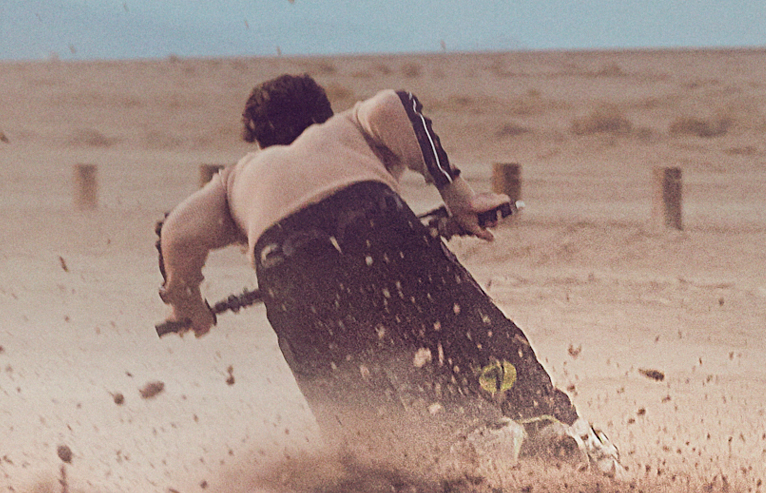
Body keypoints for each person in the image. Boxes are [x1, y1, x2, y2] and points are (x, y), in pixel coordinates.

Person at [156, 74, 604, 466]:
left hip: (286, 265)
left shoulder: (239, 176)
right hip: (373, 220)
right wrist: (459, 197)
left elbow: (176, 232)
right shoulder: (342, 127)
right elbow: (395, 104)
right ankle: (559, 434)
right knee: (479, 344)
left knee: (363, 430)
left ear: (258, 142)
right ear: (322, 113)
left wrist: (188, 304)